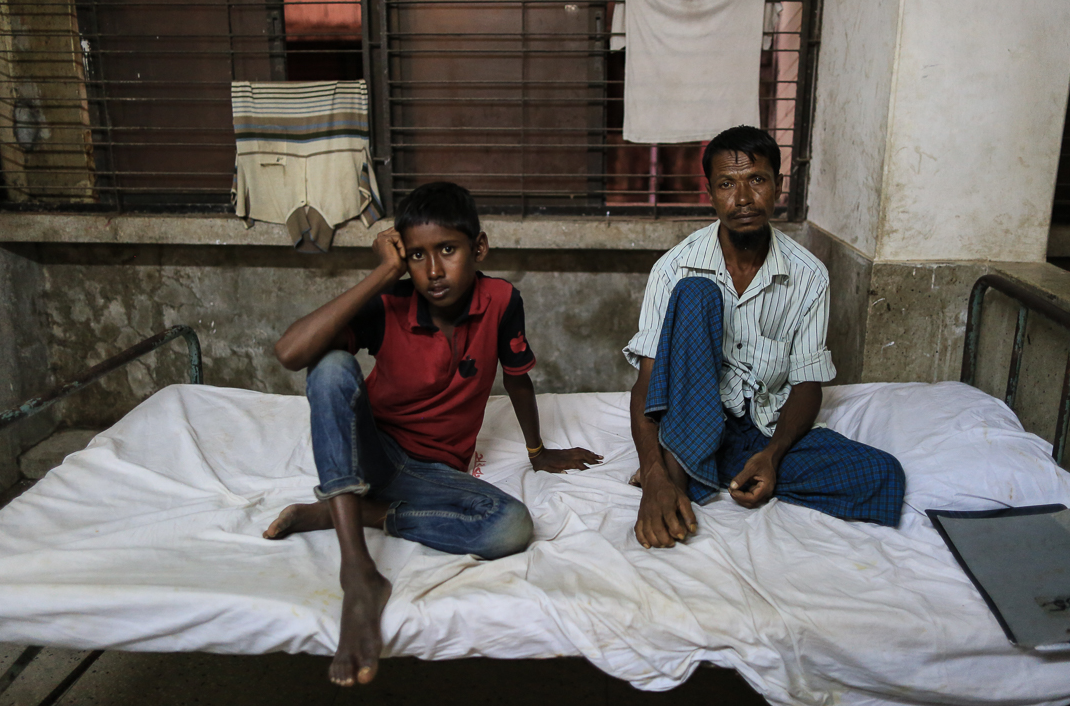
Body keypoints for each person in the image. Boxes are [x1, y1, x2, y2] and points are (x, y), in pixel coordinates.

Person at [264, 181, 602, 686]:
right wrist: (384, 272)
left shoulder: (501, 300)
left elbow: (517, 377)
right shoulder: (391, 301)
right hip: (372, 452)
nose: (434, 271)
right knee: (330, 366)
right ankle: (358, 572)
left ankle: (363, 512)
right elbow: (290, 353)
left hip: (430, 472)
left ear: (478, 247)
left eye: (448, 250)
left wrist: (538, 452)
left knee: (510, 526)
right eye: (417, 255)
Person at [623, 125, 905, 550]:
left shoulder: (808, 275)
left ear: (777, 185)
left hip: (761, 426)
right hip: (691, 421)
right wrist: (655, 478)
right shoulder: (674, 268)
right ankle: (677, 471)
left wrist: (771, 456)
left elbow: (807, 385)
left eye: (756, 179)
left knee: (880, 476)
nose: (742, 198)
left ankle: (712, 469)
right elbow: (646, 384)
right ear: (710, 193)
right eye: (726, 184)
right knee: (696, 293)